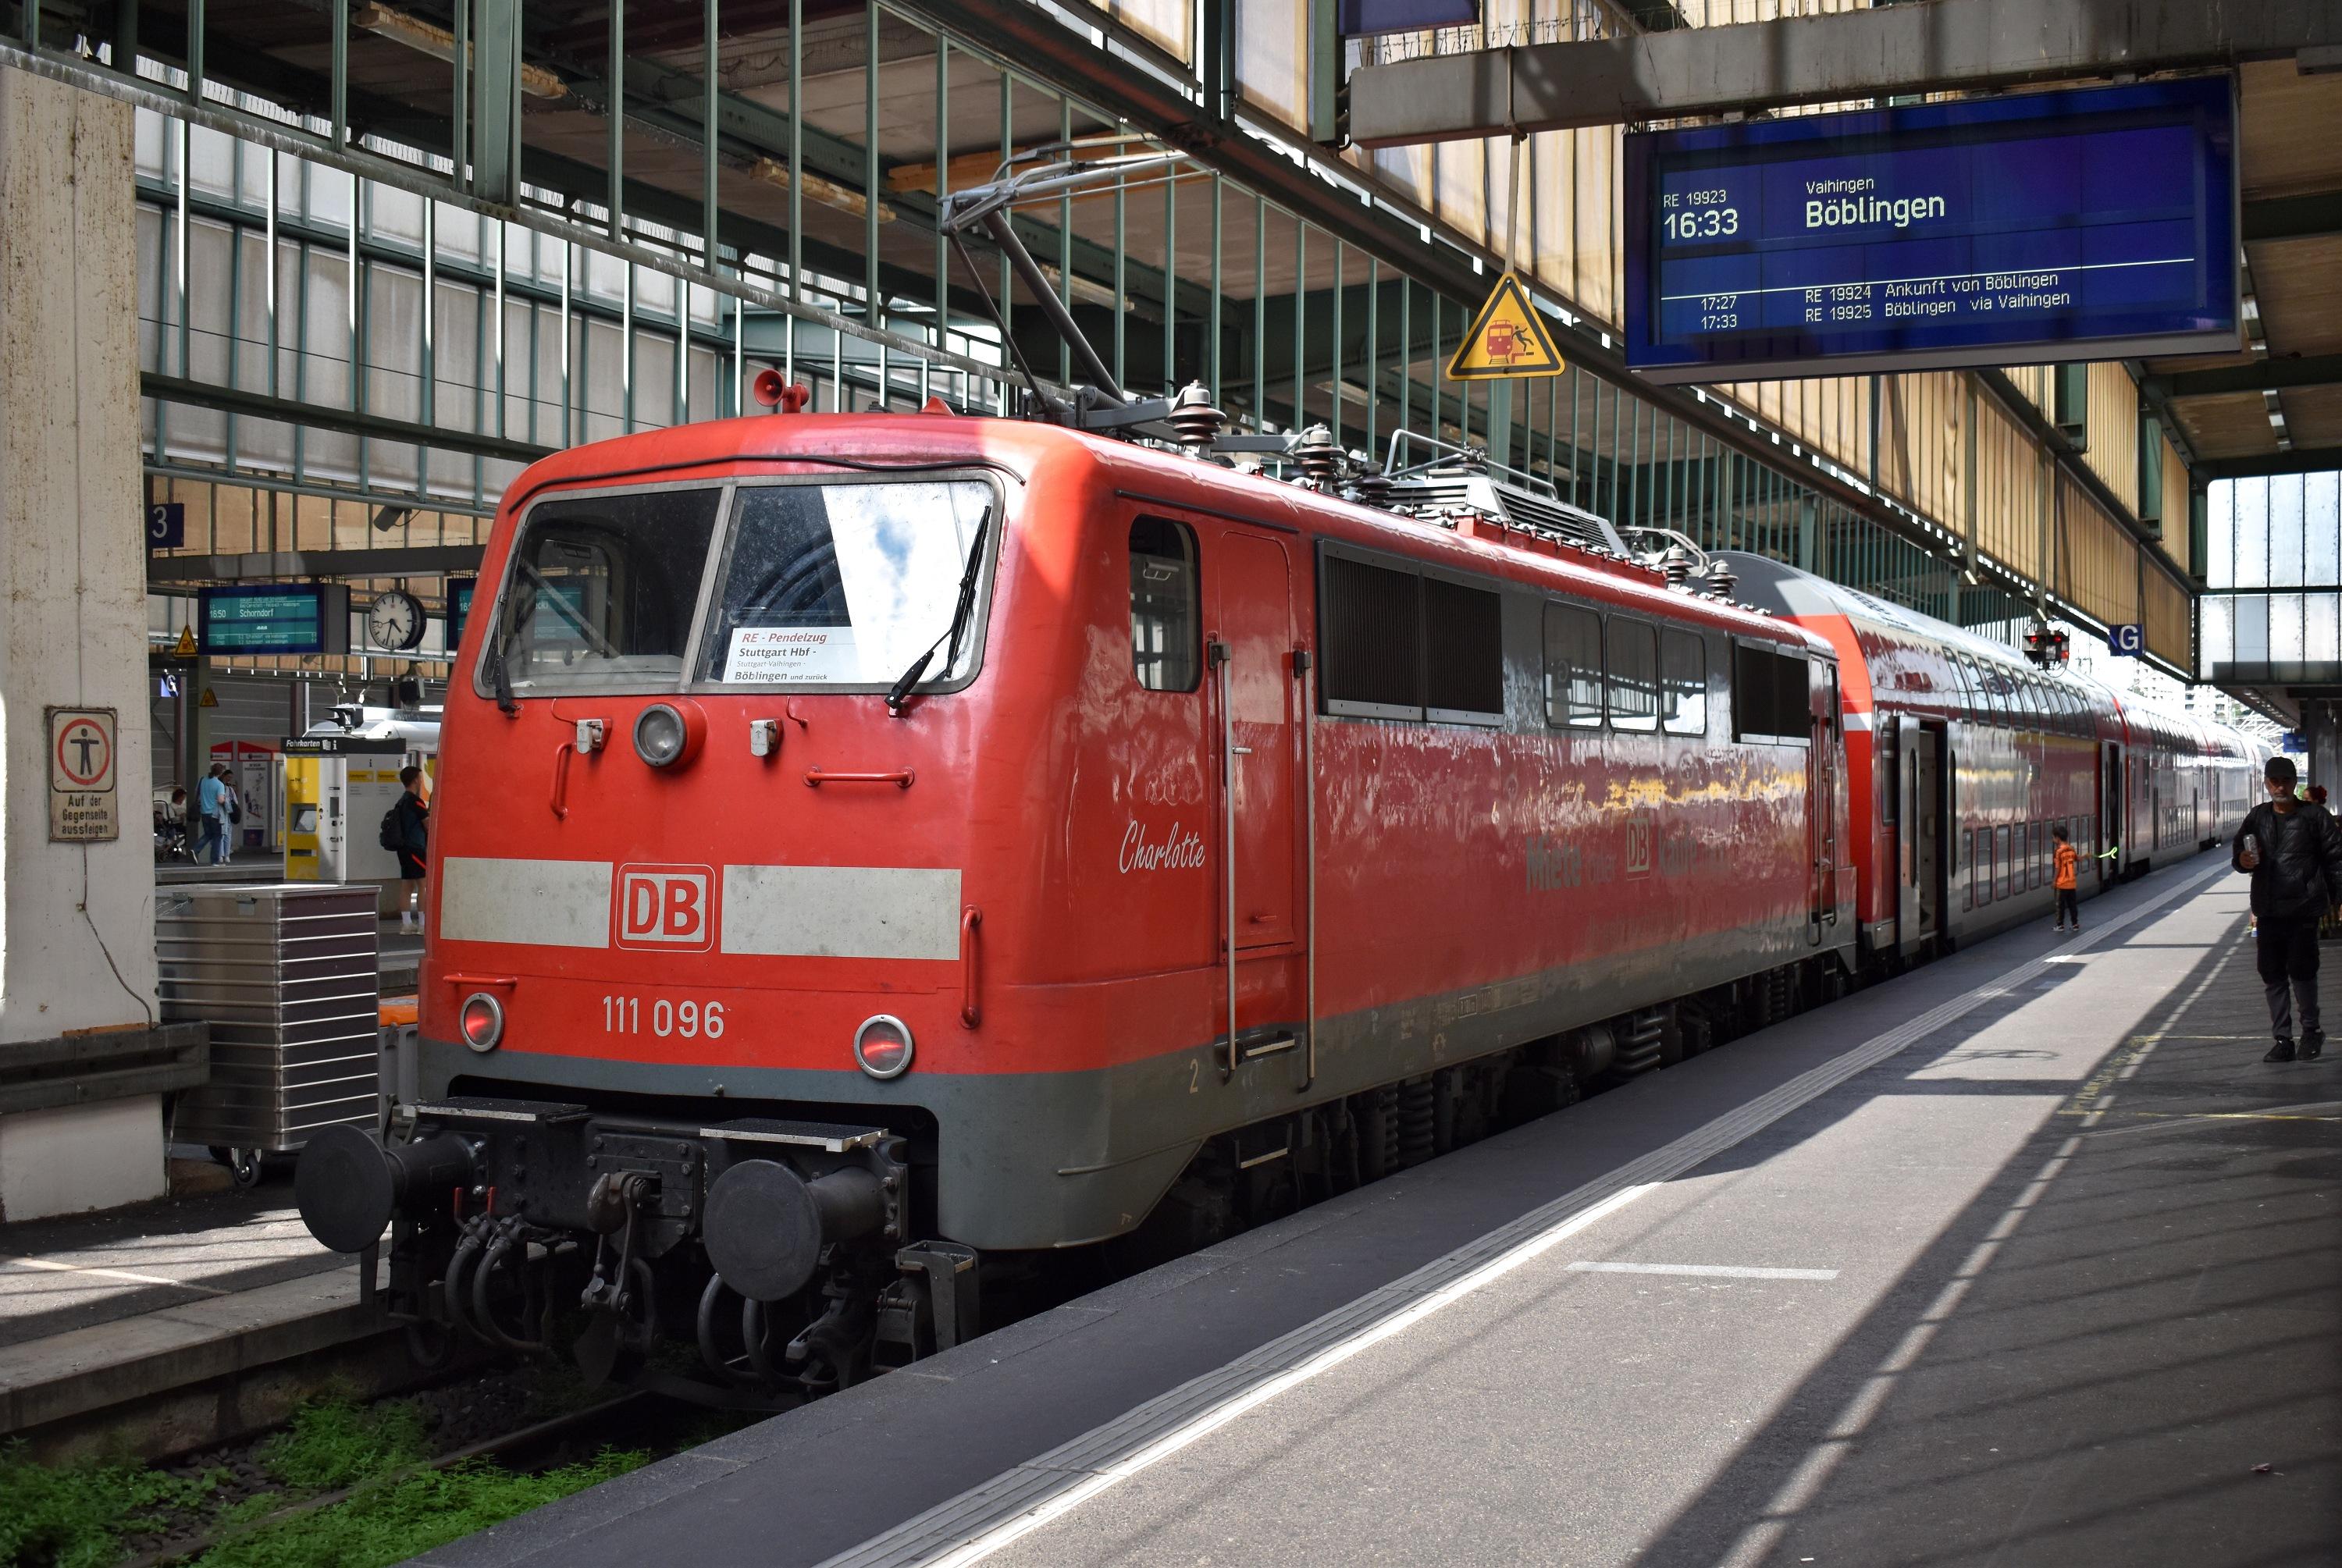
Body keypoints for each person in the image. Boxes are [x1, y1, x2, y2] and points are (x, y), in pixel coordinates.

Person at [2233, 754, 2342, 1062]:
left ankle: (2311, 1031)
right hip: (2268, 909)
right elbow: (2239, 852)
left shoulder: (2315, 817)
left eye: (2286, 781)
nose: (2279, 786)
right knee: (2271, 974)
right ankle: (2282, 1039)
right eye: (2274, 781)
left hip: (2303, 909)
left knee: (2303, 970)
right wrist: (2242, 860)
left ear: (2295, 783)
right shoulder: (2257, 817)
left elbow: (2336, 858)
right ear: (2266, 783)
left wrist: (2334, 898)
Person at [392, 765, 430, 933]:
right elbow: (427, 825)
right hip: (416, 847)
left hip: (403, 848)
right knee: (423, 885)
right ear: (416, 780)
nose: (421, 780)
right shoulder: (416, 802)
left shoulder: (401, 801)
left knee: (406, 886)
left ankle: (406, 924)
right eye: (420, 778)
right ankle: (423, 924)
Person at [195, 763, 233, 865]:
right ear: (221, 773)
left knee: (208, 834)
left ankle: (196, 849)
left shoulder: (203, 780)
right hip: (214, 814)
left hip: (204, 813)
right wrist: (226, 800)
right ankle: (215, 861)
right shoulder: (219, 784)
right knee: (218, 836)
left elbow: (198, 795)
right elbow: (221, 800)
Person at [2052, 823, 2080, 933]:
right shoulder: (2071, 849)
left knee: (2060, 905)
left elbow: (2058, 868)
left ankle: (2060, 925)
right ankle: (2075, 924)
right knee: (2073, 905)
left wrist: (2054, 881)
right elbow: (2077, 859)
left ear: (2057, 838)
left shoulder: (2058, 851)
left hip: (2061, 884)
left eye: (2053, 837)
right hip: (2071, 883)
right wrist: (2086, 856)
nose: (2053, 839)